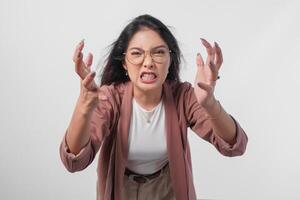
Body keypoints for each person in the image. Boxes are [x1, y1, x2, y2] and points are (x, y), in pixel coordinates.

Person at [59, 14, 248, 200]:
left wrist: (210, 104)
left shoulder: (183, 96)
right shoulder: (110, 97)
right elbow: (74, 161)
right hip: (120, 187)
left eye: (158, 52)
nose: (148, 63)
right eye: (137, 53)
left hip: (167, 185)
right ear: (124, 63)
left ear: (170, 59)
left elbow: (234, 145)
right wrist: (84, 107)